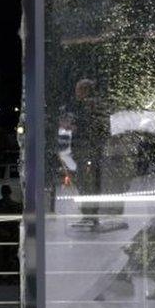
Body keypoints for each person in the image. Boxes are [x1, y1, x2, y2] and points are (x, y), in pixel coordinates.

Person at [70, 78, 110, 229]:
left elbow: (93, 127)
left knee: (88, 184)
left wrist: (76, 128)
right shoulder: (91, 105)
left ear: (85, 91)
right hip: (90, 151)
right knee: (88, 184)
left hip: (89, 152)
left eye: (78, 90)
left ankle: (89, 216)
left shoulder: (91, 105)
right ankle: (90, 215)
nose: (76, 93)